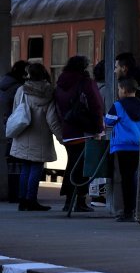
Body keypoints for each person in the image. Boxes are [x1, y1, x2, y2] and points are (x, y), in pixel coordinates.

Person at [10, 63, 64, 211]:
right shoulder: (48, 92)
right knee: (36, 168)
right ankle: (31, 200)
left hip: (23, 133)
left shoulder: (21, 90)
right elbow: (52, 120)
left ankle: (22, 200)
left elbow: (16, 111)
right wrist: (61, 138)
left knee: (25, 167)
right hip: (40, 137)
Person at [54, 55, 105, 212]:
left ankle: (69, 200)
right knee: (82, 167)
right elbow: (96, 106)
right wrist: (98, 128)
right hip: (84, 131)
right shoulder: (86, 82)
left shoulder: (60, 84)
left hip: (68, 131)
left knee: (72, 165)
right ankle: (80, 201)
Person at [105, 77, 140, 222]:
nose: (118, 91)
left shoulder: (118, 106)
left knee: (126, 180)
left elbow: (108, 121)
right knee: (139, 178)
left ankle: (128, 212)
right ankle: (139, 210)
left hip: (123, 147)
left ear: (124, 90)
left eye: (119, 89)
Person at [1, 60, 28, 203]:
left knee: (11, 165)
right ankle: (19, 195)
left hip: (8, 127)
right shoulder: (18, 88)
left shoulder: (3, 85)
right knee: (21, 164)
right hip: (18, 128)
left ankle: (12, 194)